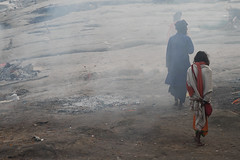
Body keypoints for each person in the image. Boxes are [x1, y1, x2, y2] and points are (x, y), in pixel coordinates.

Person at [165, 19, 194, 107]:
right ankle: (181, 101)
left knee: (175, 82)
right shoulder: (187, 38)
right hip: (184, 64)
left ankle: (176, 100)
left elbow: (168, 53)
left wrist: (168, 65)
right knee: (182, 82)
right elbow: (191, 51)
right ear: (184, 29)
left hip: (173, 65)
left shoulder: (172, 39)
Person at [186, 51, 213, 146]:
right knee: (202, 119)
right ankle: (198, 139)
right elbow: (208, 88)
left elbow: (188, 85)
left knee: (197, 117)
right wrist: (206, 100)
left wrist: (193, 96)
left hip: (194, 99)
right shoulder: (207, 70)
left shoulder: (190, 69)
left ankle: (196, 136)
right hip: (203, 100)